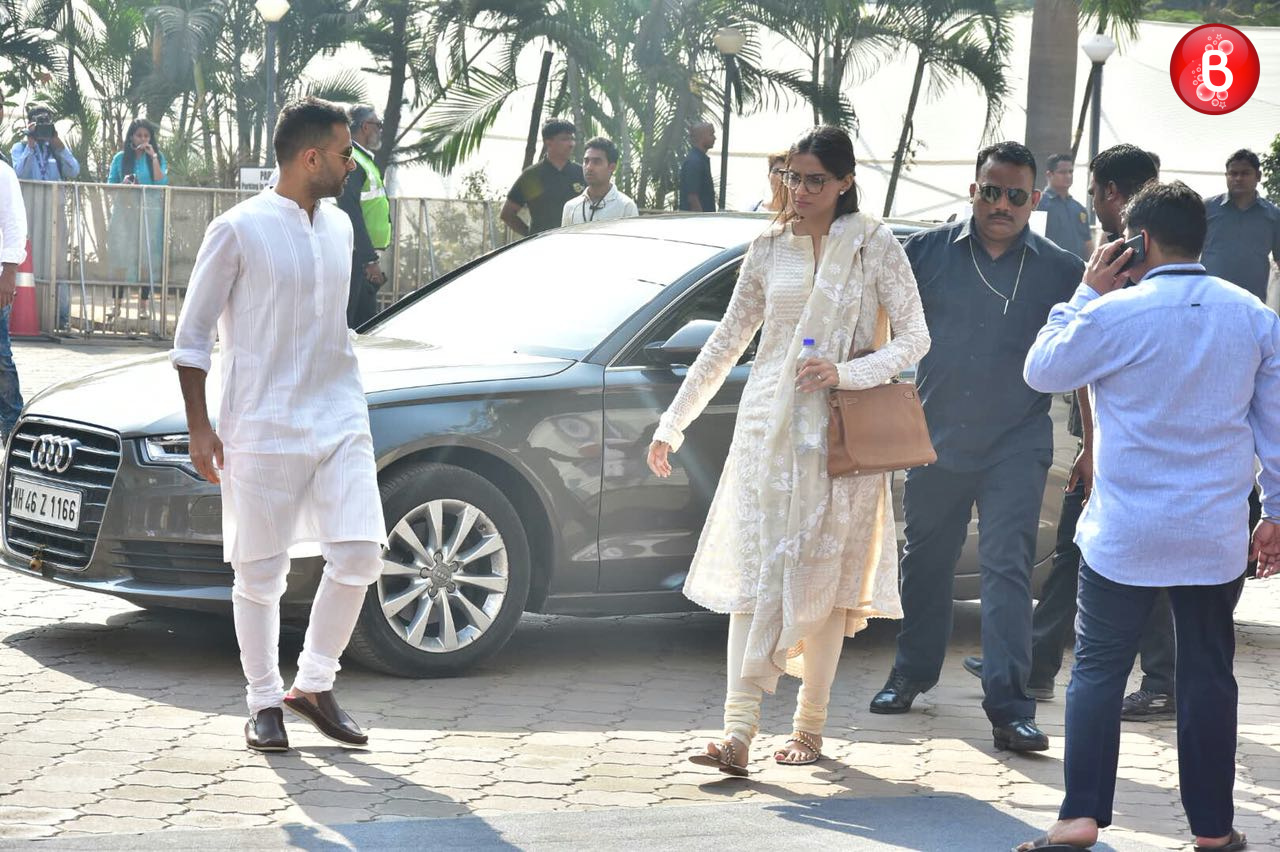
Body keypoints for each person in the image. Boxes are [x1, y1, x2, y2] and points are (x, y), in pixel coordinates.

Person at [648, 126, 930, 775]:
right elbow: (726, 341)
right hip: (766, 439)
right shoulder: (770, 245)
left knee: (824, 587)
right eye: (792, 178)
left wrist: (845, 372)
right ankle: (737, 734)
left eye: (814, 180)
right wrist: (674, 422)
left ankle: (809, 729)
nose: (799, 191)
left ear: (844, 183)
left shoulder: (874, 246)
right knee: (756, 579)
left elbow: (915, 338)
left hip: (837, 442)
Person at [1015, 180, 1280, 852]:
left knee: (1099, 669)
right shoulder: (1251, 315)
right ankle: (1214, 833)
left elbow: (1043, 369)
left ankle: (1079, 817)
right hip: (1213, 532)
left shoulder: (1113, 314)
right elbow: (1275, 428)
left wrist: (1084, 293)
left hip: (1124, 533)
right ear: (1203, 237)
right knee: (1208, 674)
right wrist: (1275, 511)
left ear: (1139, 241)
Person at [170, 97, 386, 752]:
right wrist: (201, 428)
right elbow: (192, 338)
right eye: (348, 153)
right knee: (260, 573)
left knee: (359, 554)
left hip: (340, 412)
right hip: (261, 419)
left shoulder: (343, 229)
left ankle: (315, 684)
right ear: (311, 156)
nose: (356, 164)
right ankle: (264, 699)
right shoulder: (237, 228)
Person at [869, 141, 1084, 754]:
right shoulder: (925, 254)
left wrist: (1091, 443)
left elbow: (1086, 359)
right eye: (991, 191)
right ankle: (911, 672)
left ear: (1035, 201)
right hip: (935, 436)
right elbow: (879, 329)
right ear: (973, 191)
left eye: (1016, 195)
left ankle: (1011, 709)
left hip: (1017, 440)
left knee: (1007, 570)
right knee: (926, 560)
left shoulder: (1060, 269)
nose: (1002, 205)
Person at [962, 144, 1167, 712]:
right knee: (1079, 548)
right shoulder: (1137, 251)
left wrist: (1094, 446)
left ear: (1108, 193)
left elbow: (1084, 351)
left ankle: (1154, 677)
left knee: (1129, 560)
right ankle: (1035, 661)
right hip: (1117, 436)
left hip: (1128, 439)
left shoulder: (1126, 259)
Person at [10, 105, 77, 331]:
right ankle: (30, 312)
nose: (43, 128)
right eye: (38, 123)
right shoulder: (19, 147)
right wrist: (30, 144)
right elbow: (18, 173)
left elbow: (74, 171)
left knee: (56, 263)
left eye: (47, 122)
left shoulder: (55, 150)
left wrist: (60, 146)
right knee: (30, 262)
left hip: (55, 214)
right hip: (29, 214)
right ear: (29, 124)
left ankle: (61, 315)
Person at [106, 119, 168, 324]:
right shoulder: (121, 158)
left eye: (146, 136)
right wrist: (124, 184)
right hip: (124, 215)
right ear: (131, 137)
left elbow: (162, 181)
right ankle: (116, 306)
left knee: (146, 259)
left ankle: (143, 306)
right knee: (121, 259)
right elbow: (110, 185)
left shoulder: (156, 158)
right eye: (139, 135)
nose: (143, 139)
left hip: (149, 216)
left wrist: (154, 158)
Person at [1201, 149, 1280, 303]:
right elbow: (1188, 249)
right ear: (1226, 176)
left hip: (1252, 301)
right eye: (1233, 173)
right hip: (1210, 297)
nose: (1238, 178)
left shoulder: (1274, 215)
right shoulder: (1206, 208)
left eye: (1245, 173)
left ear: (1258, 176)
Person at [338, 105, 391, 328]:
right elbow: (351, 212)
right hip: (356, 255)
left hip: (361, 254)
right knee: (359, 324)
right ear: (365, 126)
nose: (380, 130)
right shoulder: (354, 160)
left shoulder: (363, 159)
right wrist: (369, 259)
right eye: (378, 125)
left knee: (364, 322)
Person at [501, 118, 583, 237]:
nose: (571, 144)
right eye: (565, 139)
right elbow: (507, 214)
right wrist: (531, 236)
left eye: (572, 139)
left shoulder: (581, 173)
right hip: (542, 248)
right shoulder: (532, 175)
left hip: (577, 243)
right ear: (548, 142)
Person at [0, 157, 26, 441]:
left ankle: (11, 422)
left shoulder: (3, 173)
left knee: (0, 357)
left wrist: (9, 272)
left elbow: (14, 223)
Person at [560, 137, 638, 226]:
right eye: (586, 161)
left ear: (612, 167)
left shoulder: (626, 207)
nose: (589, 167)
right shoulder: (571, 207)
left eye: (596, 162)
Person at [1036, 153, 1092, 259]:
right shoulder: (1039, 204)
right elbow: (1033, 241)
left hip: (1077, 270)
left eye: (1070, 172)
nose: (1068, 176)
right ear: (1049, 175)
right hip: (1049, 269)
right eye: (1062, 172)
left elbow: (1087, 243)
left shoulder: (1079, 208)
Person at [678, 122, 717, 212]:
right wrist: (701, 219)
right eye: (711, 134)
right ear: (702, 137)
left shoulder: (700, 160)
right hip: (696, 222)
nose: (715, 138)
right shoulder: (694, 162)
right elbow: (692, 198)